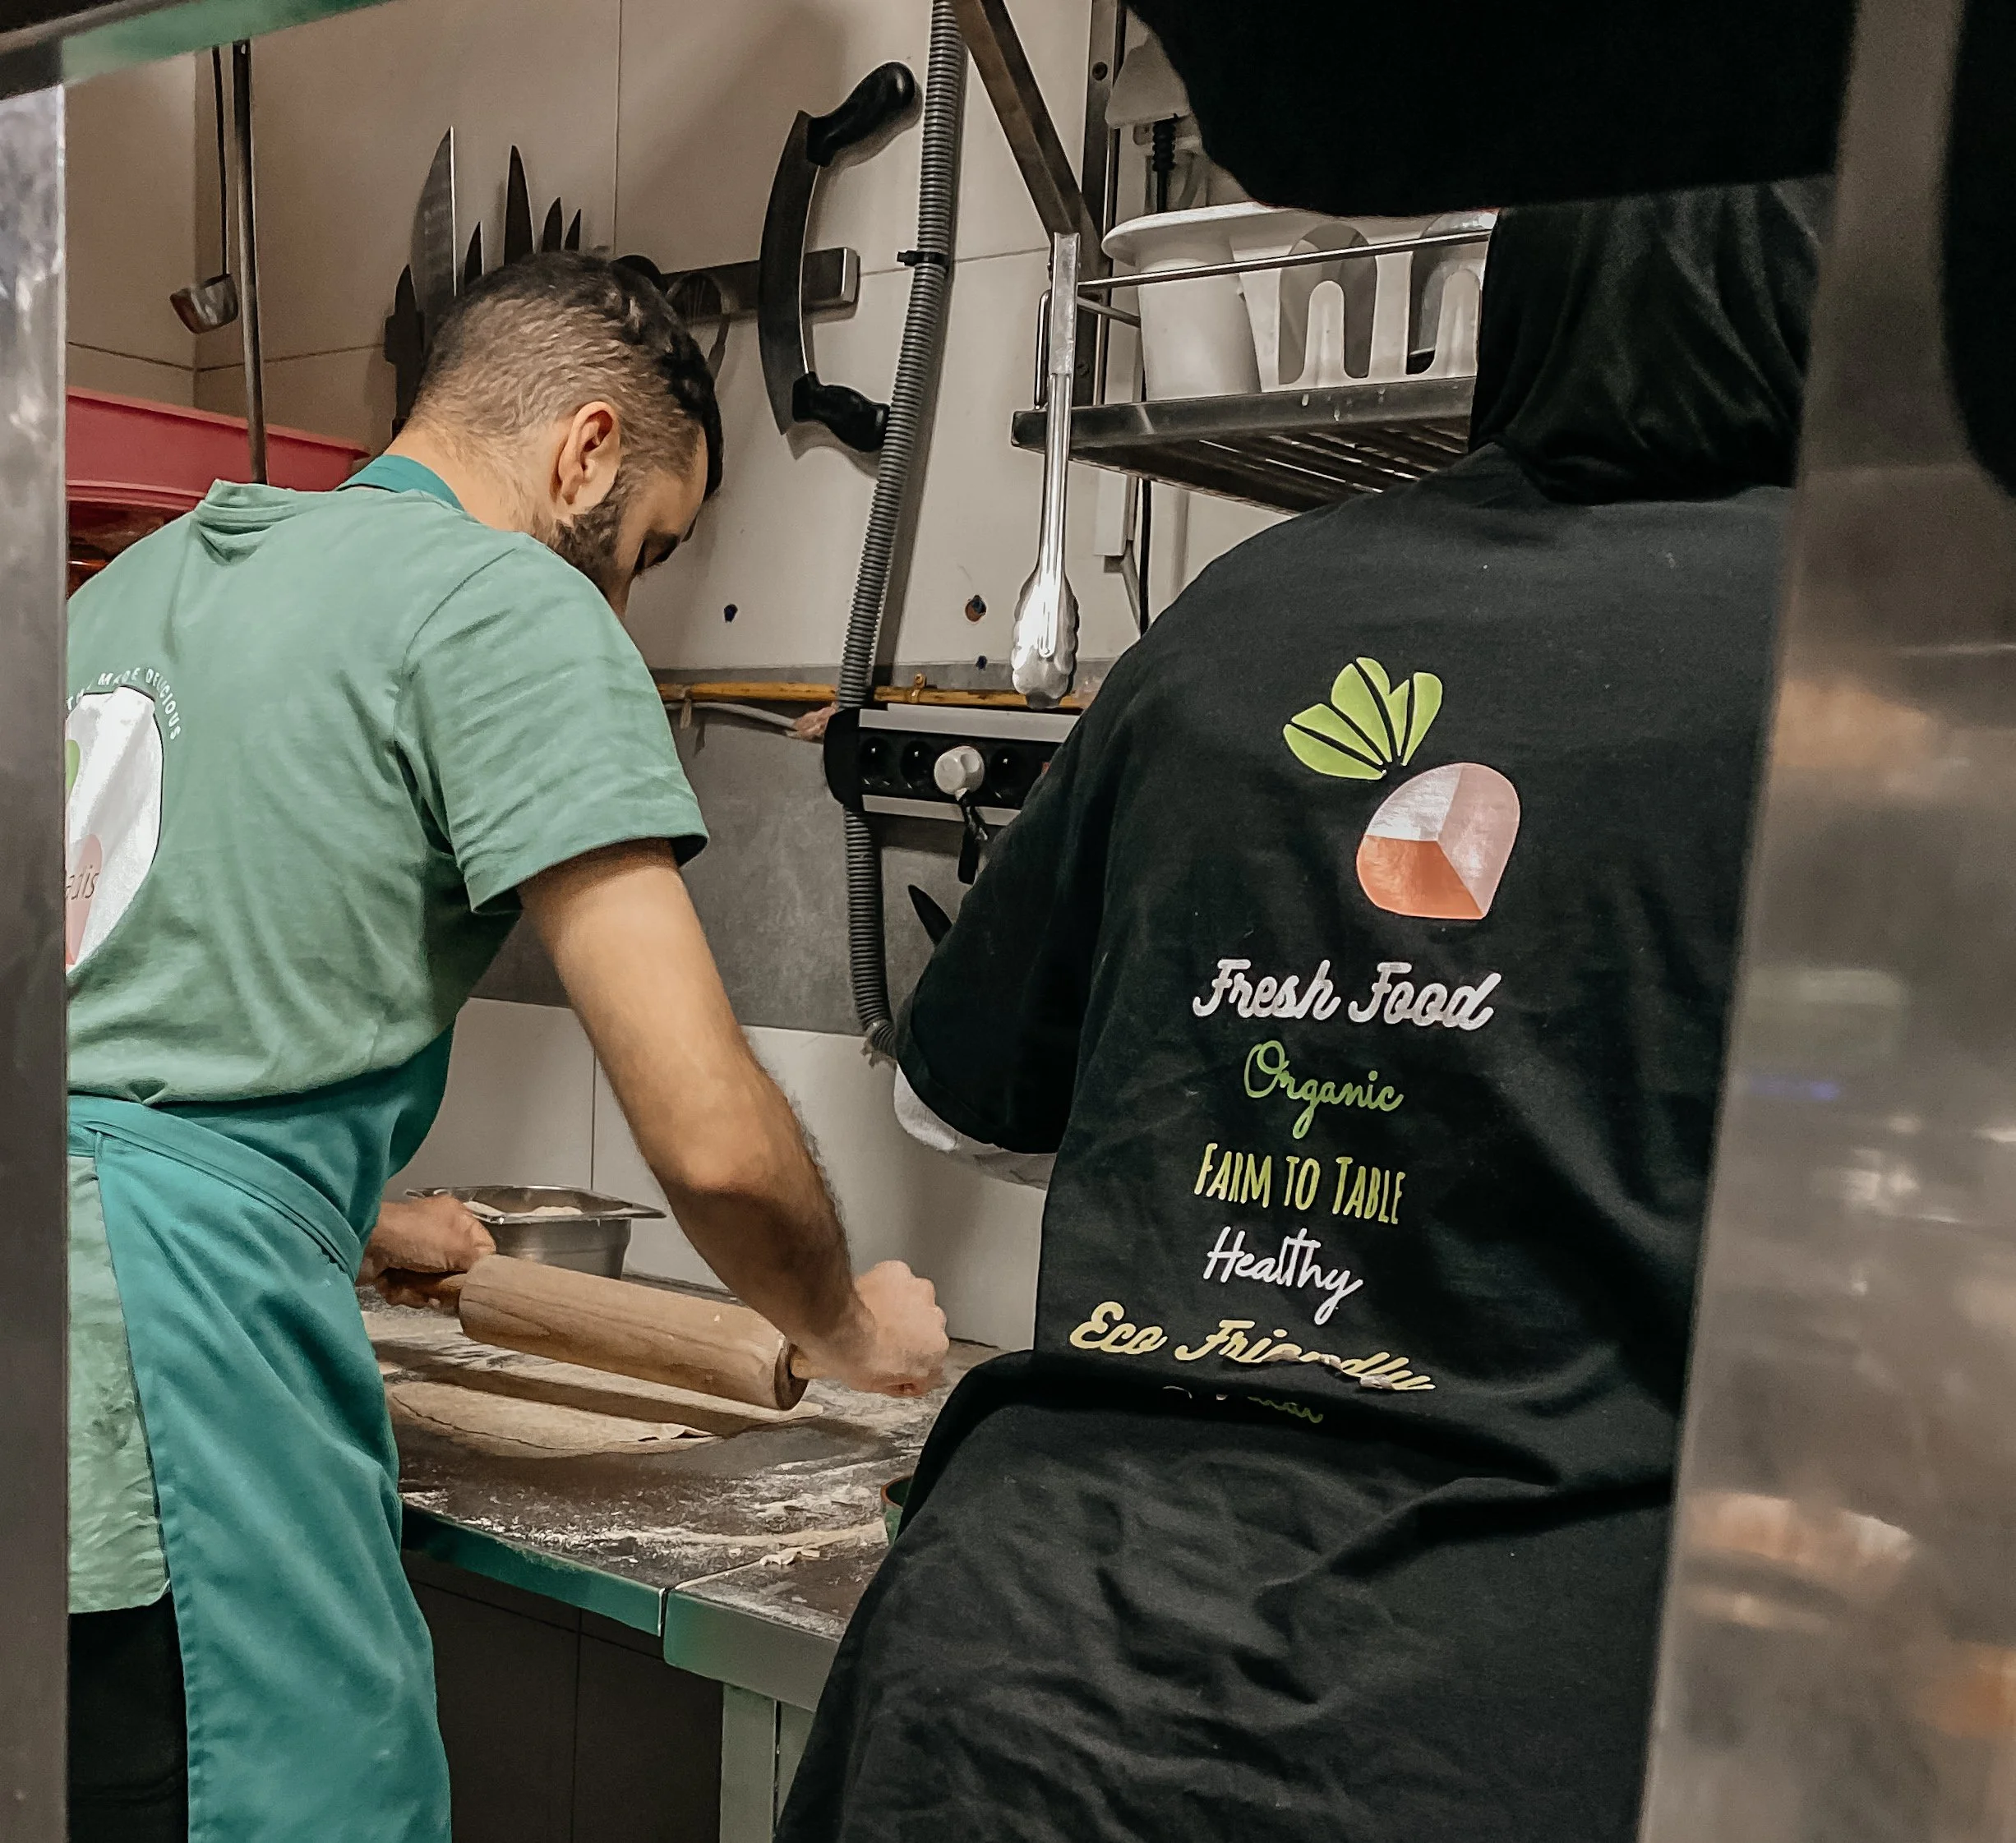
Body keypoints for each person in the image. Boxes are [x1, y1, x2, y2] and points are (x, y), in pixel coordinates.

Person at [776, 182, 1829, 1843]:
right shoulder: (1886, 658)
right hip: (1481, 1733)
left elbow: (957, 1100)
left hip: (1009, 1683)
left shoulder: (1227, 623)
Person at [62, 251, 948, 1843]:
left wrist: (351, 1207)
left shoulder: (133, 588)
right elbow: (715, 1143)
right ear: (586, 449)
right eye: (648, 550)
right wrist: (838, 1323)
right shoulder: (504, 597)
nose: (622, 603)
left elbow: (121, 1028)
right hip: (156, 1388)